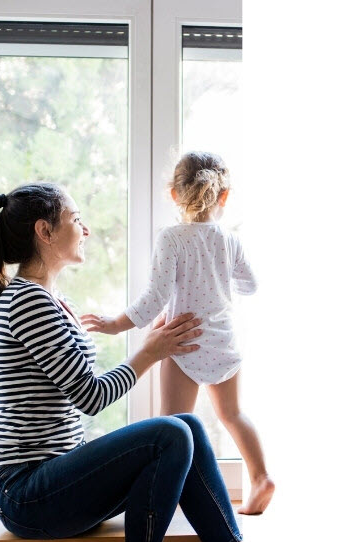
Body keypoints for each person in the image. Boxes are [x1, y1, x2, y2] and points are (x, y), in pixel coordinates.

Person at [0, 181, 321, 542]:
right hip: (26, 492)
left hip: (52, 480)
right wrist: (150, 352)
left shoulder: (51, 301)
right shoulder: (28, 301)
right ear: (45, 231)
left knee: (186, 426)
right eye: (76, 219)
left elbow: (77, 386)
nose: (86, 229)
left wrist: (151, 344)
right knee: (170, 433)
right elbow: (91, 396)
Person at [81, 152, 274, 515]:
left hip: (183, 340)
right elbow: (250, 285)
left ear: (174, 194)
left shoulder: (171, 239)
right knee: (232, 414)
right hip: (224, 339)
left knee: (172, 427)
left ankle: (173, 497)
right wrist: (219, 278)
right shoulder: (229, 240)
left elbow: (154, 299)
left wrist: (113, 324)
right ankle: (261, 477)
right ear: (224, 196)